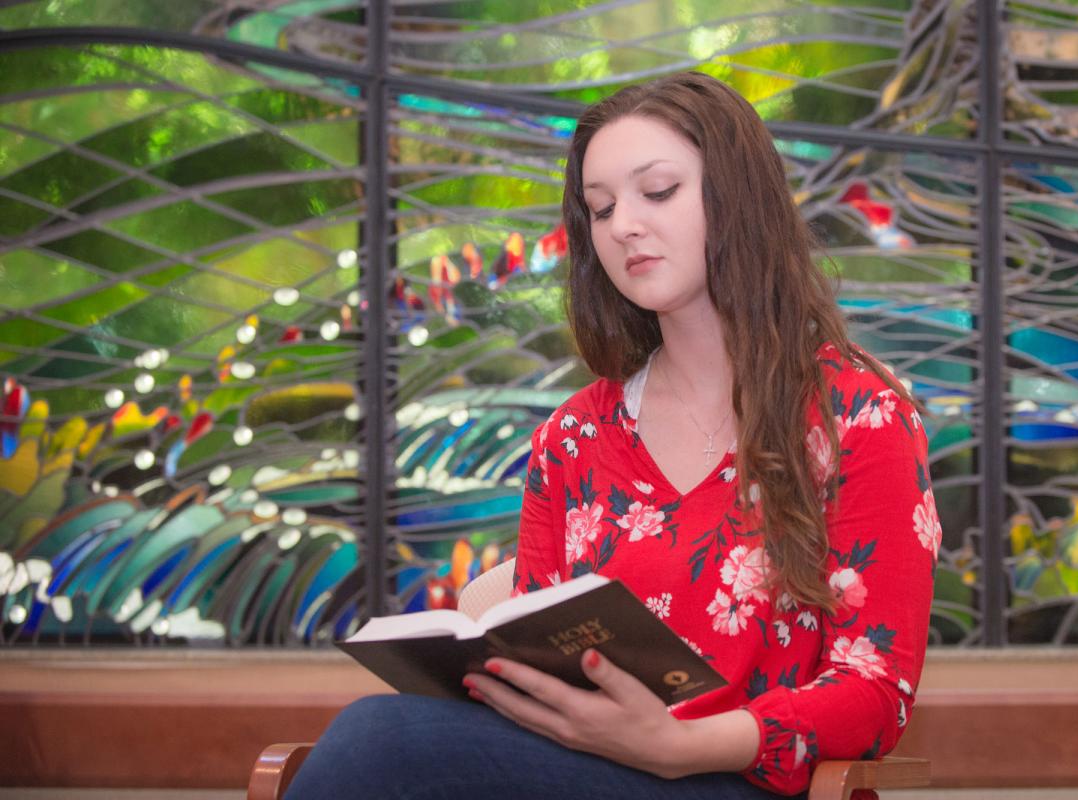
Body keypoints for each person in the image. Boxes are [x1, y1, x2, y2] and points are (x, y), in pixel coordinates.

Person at [285, 71, 937, 800]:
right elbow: (535, 649)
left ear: (738, 197)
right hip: (585, 771)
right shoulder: (573, 437)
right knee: (385, 737)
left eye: (656, 192)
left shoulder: (859, 413)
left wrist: (680, 745)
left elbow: (875, 690)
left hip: (736, 780)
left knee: (382, 742)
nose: (623, 224)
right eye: (600, 208)